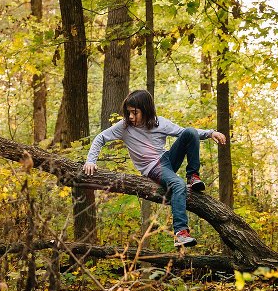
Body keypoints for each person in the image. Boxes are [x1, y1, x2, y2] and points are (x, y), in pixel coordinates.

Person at [82, 89, 227, 248]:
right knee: (178, 184)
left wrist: (210, 133)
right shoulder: (124, 126)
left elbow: (182, 133)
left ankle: (193, 177)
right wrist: (90, 160)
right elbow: (100, 137)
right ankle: (180, 233)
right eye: (128, 112)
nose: (130, 116)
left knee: (190, 132)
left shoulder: (160, 123)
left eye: (134, 112)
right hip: (153, 167)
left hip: (167, 160)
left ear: (146, 110)